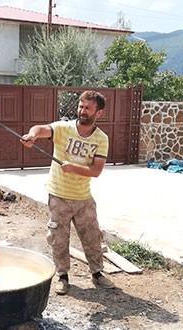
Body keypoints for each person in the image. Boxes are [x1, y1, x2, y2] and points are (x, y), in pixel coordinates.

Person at [20, 90, 115, 295]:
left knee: (92, 237)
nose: (82, 110)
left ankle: (97, 273)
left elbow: (96, 171)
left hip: (83, 198)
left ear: (98, 113)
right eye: (81, 106)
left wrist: (73, 168)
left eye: (88, 108)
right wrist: (32, 135)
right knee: (58, 239)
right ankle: (62, 276)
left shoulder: (101, 139)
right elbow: (41, 128)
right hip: (58, 196)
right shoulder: (63, 128)